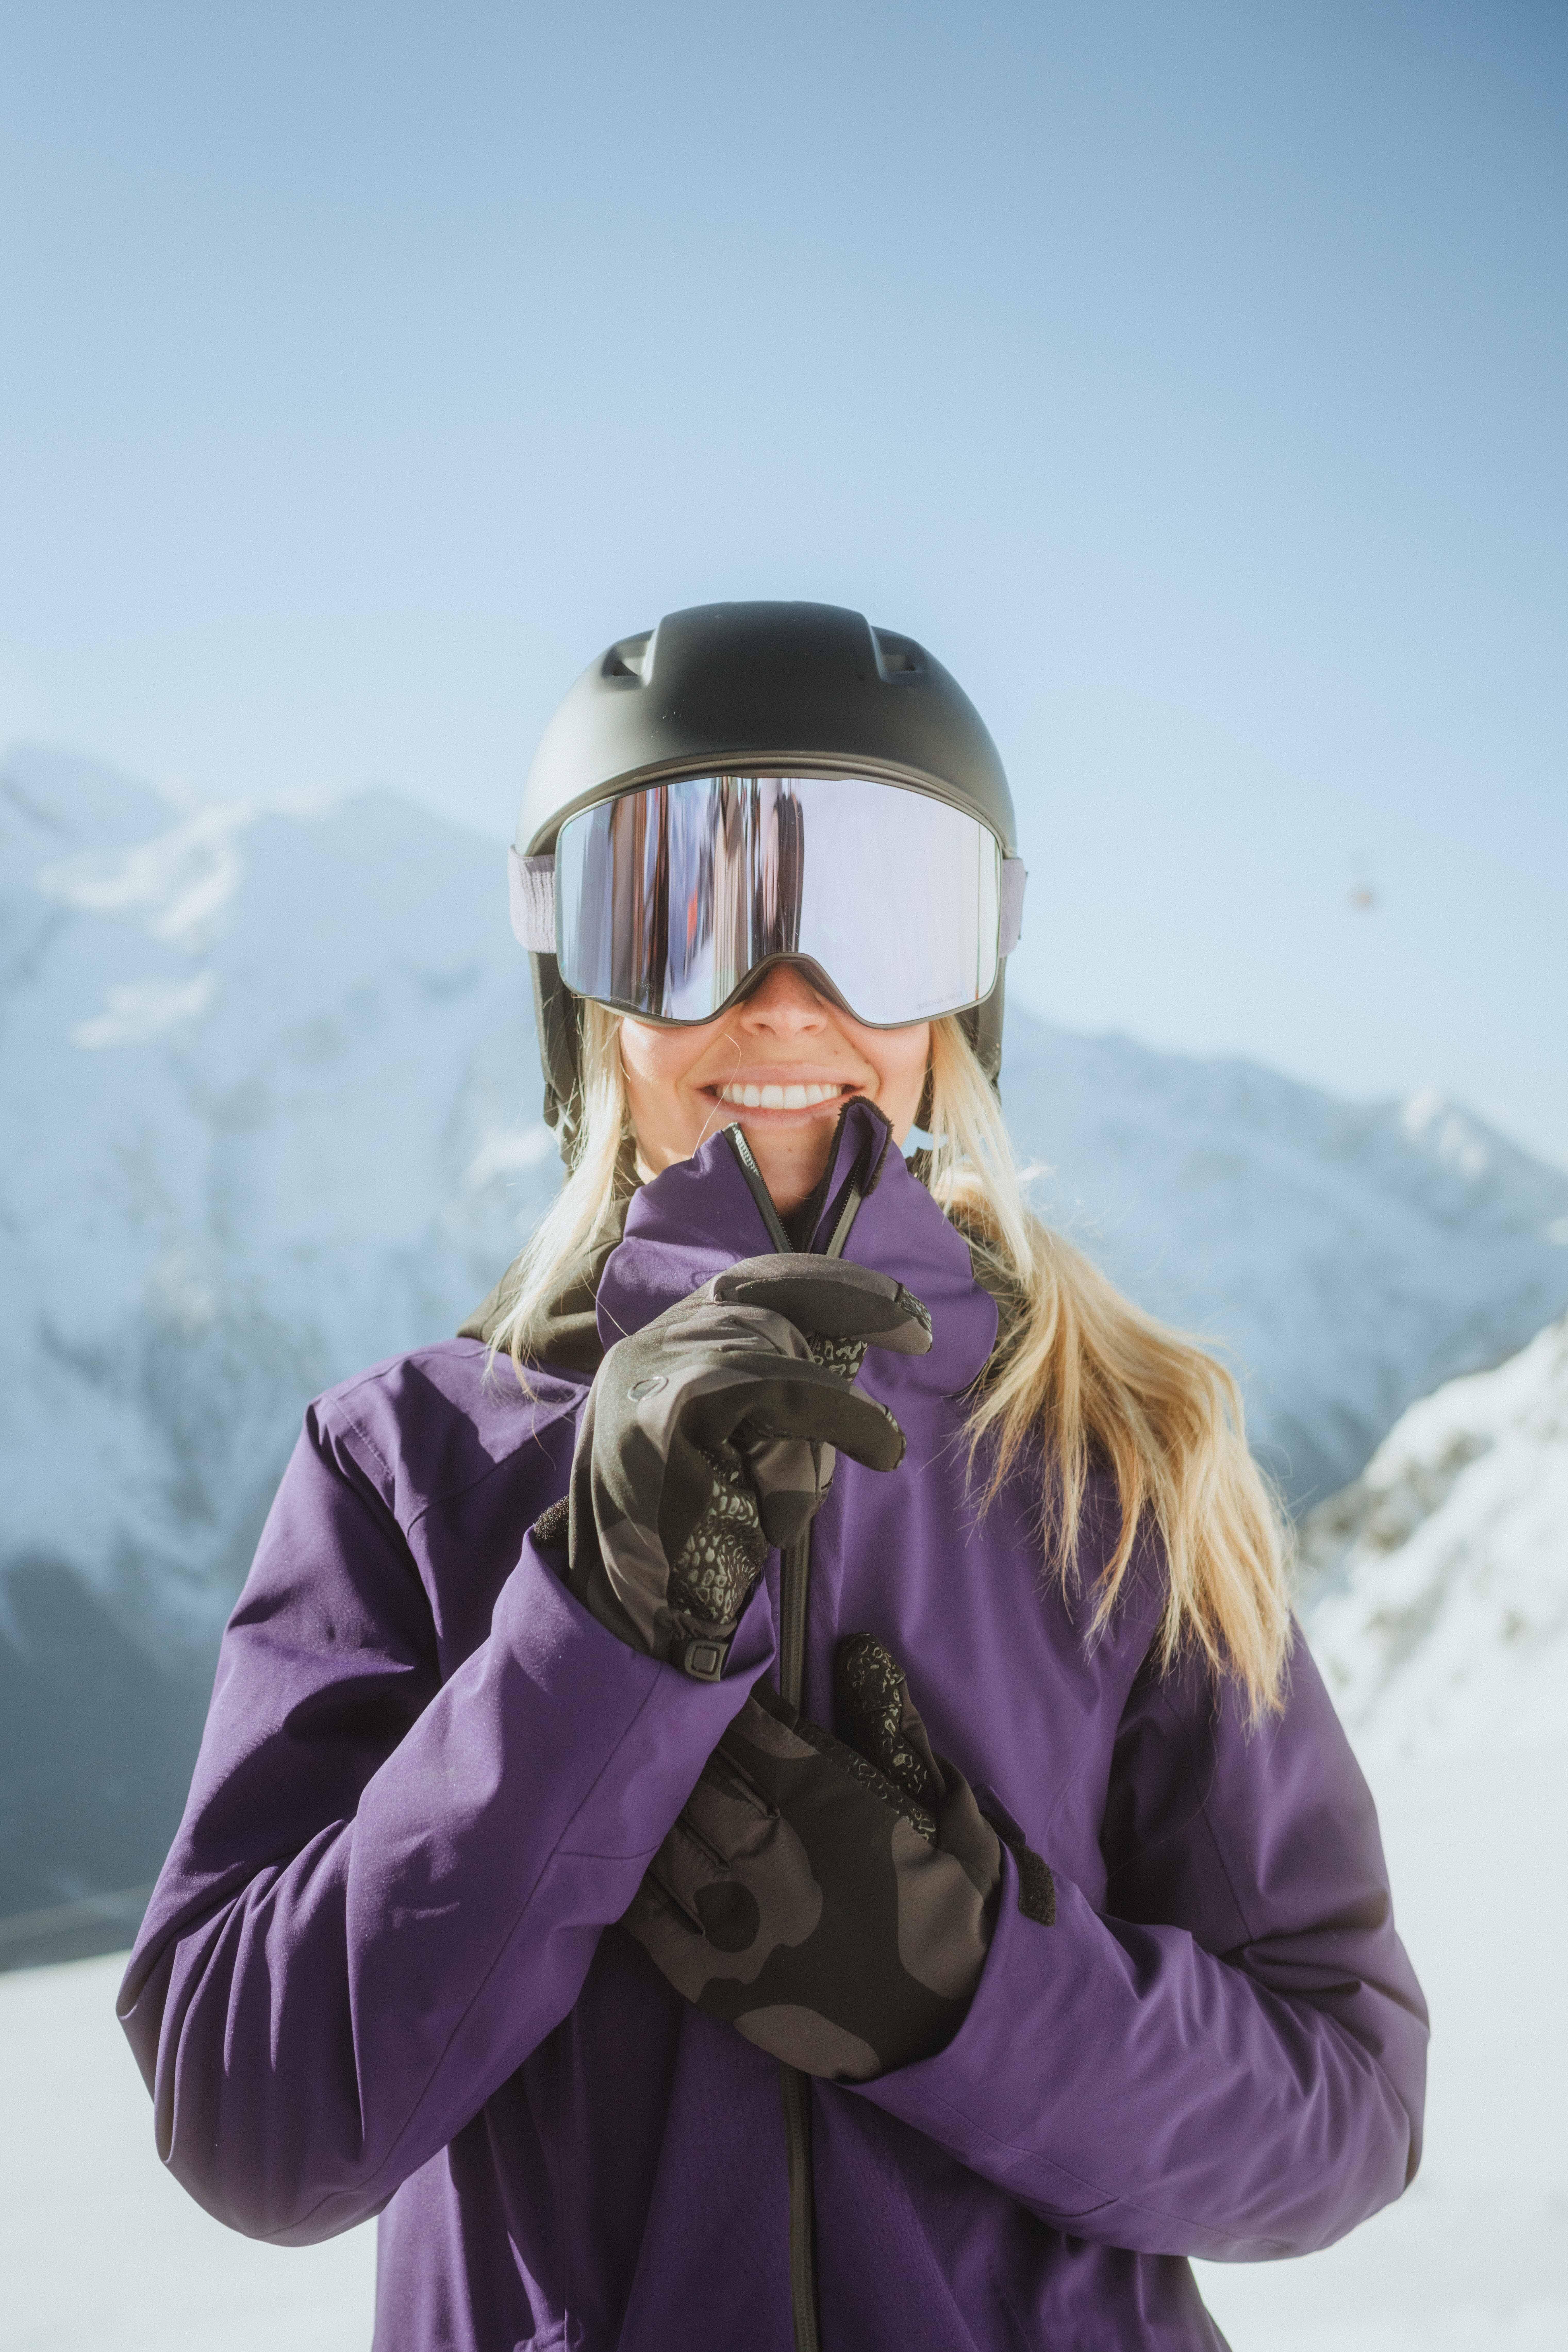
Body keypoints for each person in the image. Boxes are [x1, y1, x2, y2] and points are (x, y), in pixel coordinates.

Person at [119, 601, 1428, 2352]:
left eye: (880, 912)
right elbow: (250, 2123)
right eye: (686, 907)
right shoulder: (413, 1467)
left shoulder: (1117, 1455)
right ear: (578, 979)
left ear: (968, 979)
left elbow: (1342, 2101)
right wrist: (587, 1634)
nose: (788, 994)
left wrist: (969, 1992)